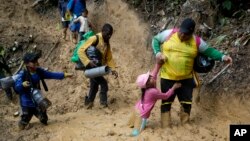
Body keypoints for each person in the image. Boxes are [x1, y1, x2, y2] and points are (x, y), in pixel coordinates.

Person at [151, 18, 233, 127]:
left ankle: (185, 124)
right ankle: (165, 124)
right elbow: (155, 40)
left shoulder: (197, 41)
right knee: (166, 101)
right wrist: (157, 53)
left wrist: (223, 57)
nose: (182, 36)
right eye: (181, 32)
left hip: (186, 78)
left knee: (186, 103)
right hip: (167, 77)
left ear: (191, 33)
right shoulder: (169, 34)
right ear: (179, 29)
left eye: (186, 34)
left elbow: (210, 51)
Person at [14, 52, 73, 130]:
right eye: (33, 62)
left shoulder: (39, 71)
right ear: (27, 64)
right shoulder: (22, 74)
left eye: (36, 61)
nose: (36, 63)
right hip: (26, 102)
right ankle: (21, 126)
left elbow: (51, 74)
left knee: (44, 119)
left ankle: (42, 120)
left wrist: (64, 75)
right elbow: (17, 87)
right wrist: (22, 85)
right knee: (25, 120)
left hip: (38, 99)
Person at [127, 61, 181, 137]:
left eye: (150, 76)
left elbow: (154, 73)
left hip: (137, 108)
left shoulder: (148, 86)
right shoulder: (152, 92)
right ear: (148, 84)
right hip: (142, 115)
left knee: (132, 123)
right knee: (138, 132)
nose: (151, 77)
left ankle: (133, 124)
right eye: (149, 78)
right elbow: (165, 96)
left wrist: (158, 64)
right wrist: (173, 87)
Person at [78, 23, 118, 109]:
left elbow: (109, 58)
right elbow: (80, 51)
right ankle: (103, 105)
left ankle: (88, 104)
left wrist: (113, 69)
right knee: (103, 83)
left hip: (98, 67)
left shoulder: (107, 43)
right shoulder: (94, 38)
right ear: (102, 31)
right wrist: (88, 62)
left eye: (110, 34)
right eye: (107, 34)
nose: (109, 36)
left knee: (94, 86)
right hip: (91, 67)